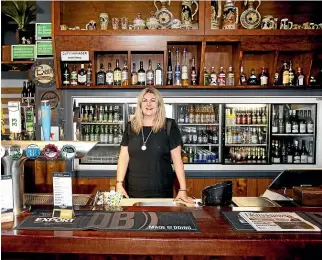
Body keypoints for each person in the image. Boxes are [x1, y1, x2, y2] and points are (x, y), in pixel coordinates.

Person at [116, 87, 193, 203]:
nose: (148, 104)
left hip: (161, 189)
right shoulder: (131, 126)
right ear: (140, 104)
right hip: (133, 189)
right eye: (145, 100)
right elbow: (123, 156)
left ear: (159, 104)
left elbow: (177, 159)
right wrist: (119, 183)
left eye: (153, 100)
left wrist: (182, 189)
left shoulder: (169, 126)